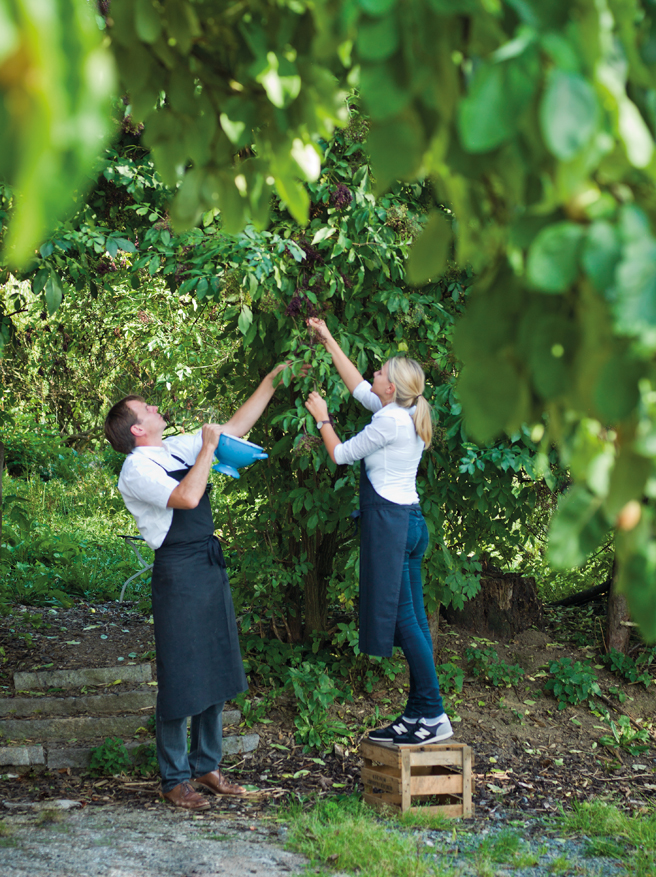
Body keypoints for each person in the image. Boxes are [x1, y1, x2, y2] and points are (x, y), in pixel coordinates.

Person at [104, 364, 294, 810]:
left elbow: (231, 429)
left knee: (214, 663)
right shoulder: (135, 469)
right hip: (178, 571)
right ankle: (174, 778)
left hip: (206, 563)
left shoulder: (170, 449)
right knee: (181, 673)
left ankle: (206, 766)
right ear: (136, 428)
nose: (154, 407)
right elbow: (188, 497)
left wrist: (270, 379)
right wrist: (207, 448)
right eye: (145, 407)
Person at [304, 318, 453, 747]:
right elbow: (356, 385)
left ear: (391, 387)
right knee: (415, 622)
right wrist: (329, 338)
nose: (375, 373)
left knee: (405, 621)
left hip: (391, 525)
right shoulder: (401, 411)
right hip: (410, 523)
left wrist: (322, 418)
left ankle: (434, 713)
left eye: (381, 372)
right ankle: (418, 713)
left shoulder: (388, 422)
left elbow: (340, 454)